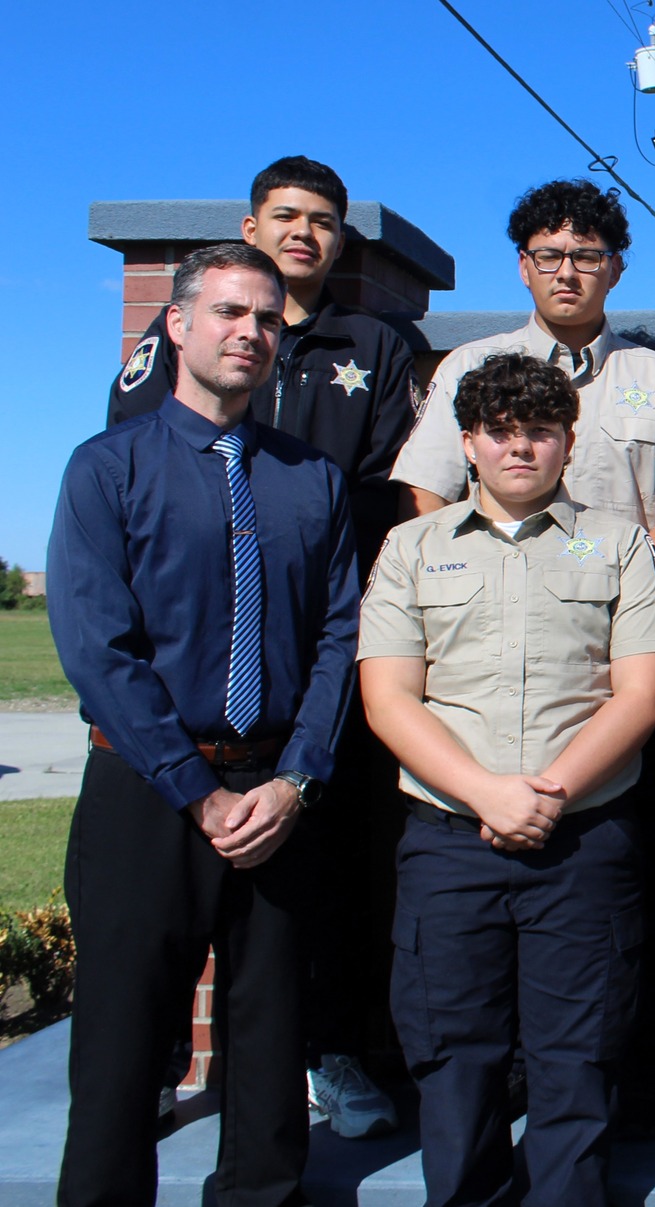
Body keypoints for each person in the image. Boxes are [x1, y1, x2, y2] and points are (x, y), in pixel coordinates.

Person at [108, 155, 416, 1137]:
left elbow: (381, 488)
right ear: (251, 224)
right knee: (161, 890)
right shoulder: (185, 337)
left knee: (321, 872)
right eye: (286, 215)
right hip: (191, 653)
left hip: (318, 639)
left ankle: (327, 1049)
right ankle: (157, 1065)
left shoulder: (374, 341)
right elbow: (140, 474)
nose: (304, 233)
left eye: (323, 221)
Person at [49, 242, 359, 1205]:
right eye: (229, 312)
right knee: (120, 1045)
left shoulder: (313, 481)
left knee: (269, 1043)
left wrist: (295, 779)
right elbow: (98, 649)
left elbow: (341, 638)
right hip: (147, 792)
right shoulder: (107, 469)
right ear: (178, 325)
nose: (251, 333)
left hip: (275, 794)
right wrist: (195, 791)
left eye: (267, 319)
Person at [358, 351, 655, 1205]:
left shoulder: (620, 546)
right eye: (500, 432)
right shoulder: (410, 548)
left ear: (569, 444)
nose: (520, 449)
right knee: (453, 1056)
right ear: (467, 443)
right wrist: (485, 792)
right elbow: (389, 700)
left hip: (581, 843)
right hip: (448, 843)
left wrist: (549, 793)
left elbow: (642, 692)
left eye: (540, 431)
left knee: (578, 1057)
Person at [392, 178, 655, 558]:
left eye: (586, 257)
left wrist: (627, 583)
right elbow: (424, 497)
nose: (566, 273)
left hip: (621, 600)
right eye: (547, 256)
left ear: (614, 271)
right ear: (524, 268)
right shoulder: (467, 366)